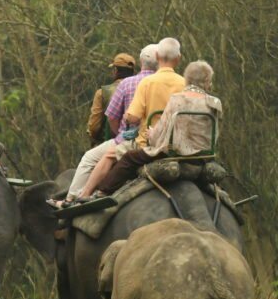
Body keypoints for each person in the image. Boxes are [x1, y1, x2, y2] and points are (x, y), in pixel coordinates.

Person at [73, 37, 185, 201]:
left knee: (110, 155)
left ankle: (87, 195)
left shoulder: (146, 83)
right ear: (179, 58)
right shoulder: (185, 83)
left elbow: (133, 117)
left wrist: (127, 116)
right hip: (179, 145)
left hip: (148, 143)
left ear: (159, 57)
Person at [51, 45, 158, 208]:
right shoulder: (165, 83)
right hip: (159, 140)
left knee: (88, 158)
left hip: (128, 139)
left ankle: (72, 199)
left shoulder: (112, 89)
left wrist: (117, 134)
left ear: (115, 71)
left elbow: (103, 122)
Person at [98, 61, 222, 193]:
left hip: (174, 154)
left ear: (187, 79)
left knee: (129, 158)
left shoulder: (177, 99)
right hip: (201, 158)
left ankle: (102, 192)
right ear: (208, 81)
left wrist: (151, 135)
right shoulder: (215, 103)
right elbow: (215, 134)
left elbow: (160, 135)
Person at [87, 54, 135, 147]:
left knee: (87, 160)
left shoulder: (102, 93)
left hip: (111, 143)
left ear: (115, 71)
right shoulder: (141, 88)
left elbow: (94, 127)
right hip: (136, 141)